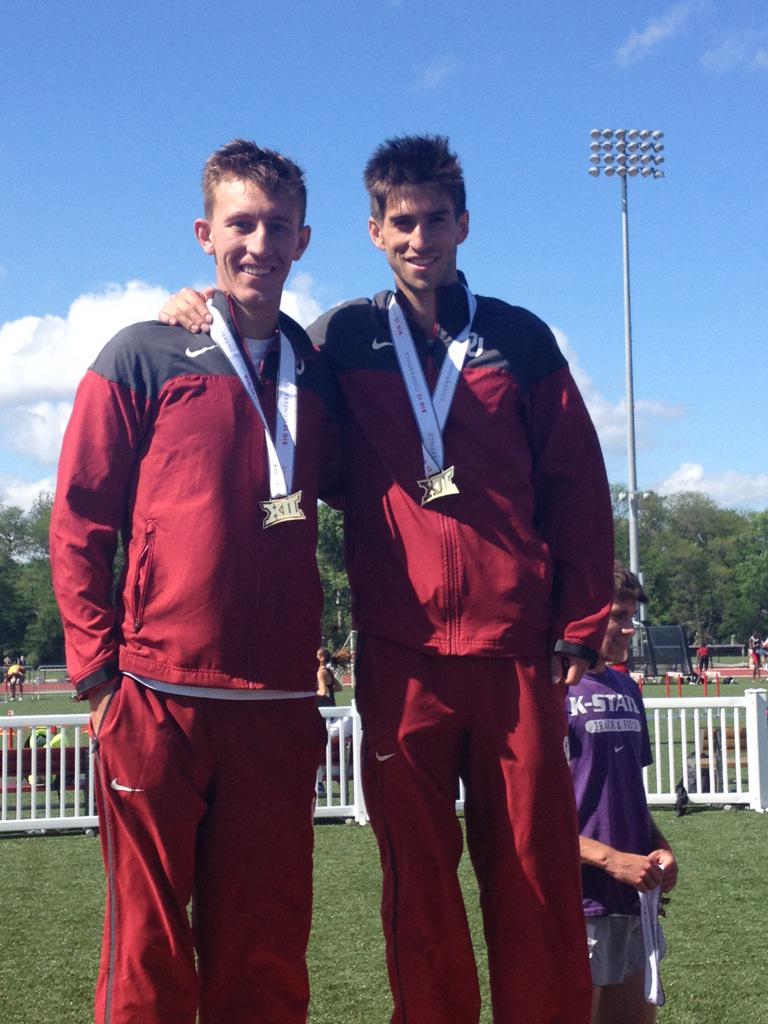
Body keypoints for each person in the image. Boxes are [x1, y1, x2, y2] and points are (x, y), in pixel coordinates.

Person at [160, 134, 614, 1024]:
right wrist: (200, 309)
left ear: (463, 224)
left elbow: (577, 485)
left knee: (535, 874)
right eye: (401, 222)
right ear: (373, 231)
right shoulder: (341, 339)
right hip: (401, 655)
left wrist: (579, 621)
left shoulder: (519, 339)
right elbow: (275, 407)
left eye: (435, 220)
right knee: (418, 886)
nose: (419, 238)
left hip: (514, 649)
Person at [50, 140, 342, 1024]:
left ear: (303, 241)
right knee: (146, 946)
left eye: (277, 226)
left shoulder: (318, 368)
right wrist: (99, 675)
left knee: (265, 944)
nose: (259, 242)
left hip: (277, 699)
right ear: (205, 233)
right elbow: (79, 519)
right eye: (241, 223)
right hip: (156, 693)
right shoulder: (143, 351)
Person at [567, 565, 678, 1024]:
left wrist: (661, 848)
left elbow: (627, 789)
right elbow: (528, 815)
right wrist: (611, 860)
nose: (630, 628)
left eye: (632, 616)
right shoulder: (549, 690)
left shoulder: (628, 689)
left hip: (632, 897)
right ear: (586, 615)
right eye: (618, 616)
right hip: (577, 899)